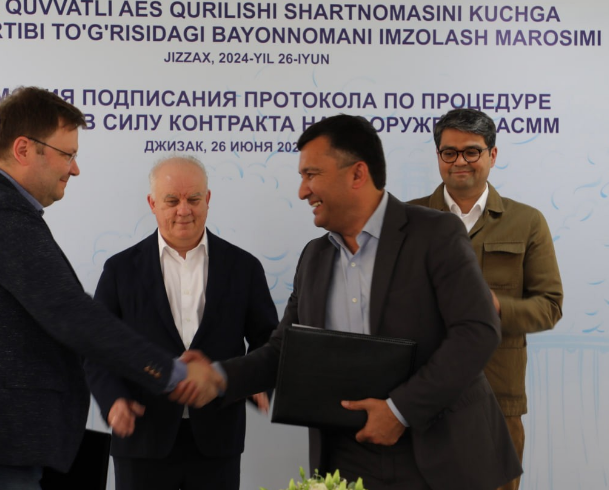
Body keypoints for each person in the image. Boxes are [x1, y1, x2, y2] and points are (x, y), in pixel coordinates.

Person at [0, 87, 222, 490]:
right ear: (23, 149)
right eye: (67, 154)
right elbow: (72, 315)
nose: (75, 169)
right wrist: (173, 372)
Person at [196, 114, 522, 490]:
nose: (302, 191)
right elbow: (284, 352)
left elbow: (477, 331)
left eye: (311, 174)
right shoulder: (313, 258)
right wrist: (219, 377)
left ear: (357, 174)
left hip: (440, 454)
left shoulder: (436, 233)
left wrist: (399, 411)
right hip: (346, 460)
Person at [84, 155, 279, 490]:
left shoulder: (244, 267)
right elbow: (97, 349)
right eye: (172, 201)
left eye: (194, 199)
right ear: (152, 203)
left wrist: (257, 381)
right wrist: (113, 399)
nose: (184, 210)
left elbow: (268, 340)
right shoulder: (120, 271)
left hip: (218, 439)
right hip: (141, 436)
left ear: (208, 199)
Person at [409, 108, 563, 490]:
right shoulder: (408, 219)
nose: (459, 161)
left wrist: (493, 306)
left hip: (498, 398)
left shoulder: (527, 222)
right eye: (449, 152)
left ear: (492, 155)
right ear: (438, 156)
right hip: (419, 395)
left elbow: (549, 306)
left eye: (472, 151)